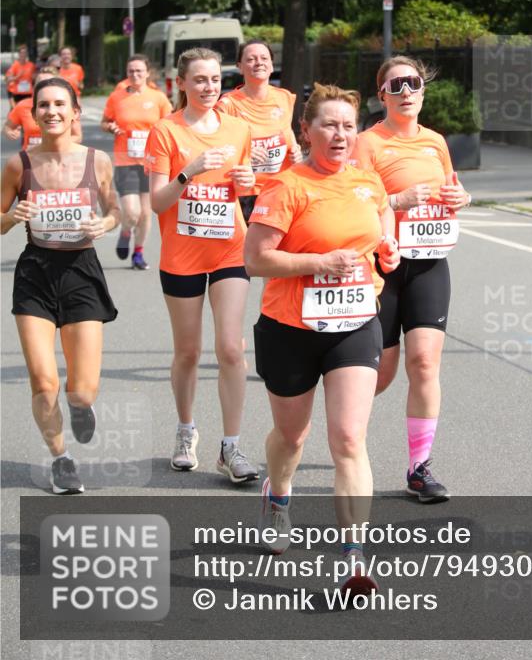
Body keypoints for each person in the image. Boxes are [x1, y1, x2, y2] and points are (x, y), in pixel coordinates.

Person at [244, 83, 400, 591]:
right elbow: (255, 259)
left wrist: (388, 251)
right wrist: (318, 262)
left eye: (349, 125)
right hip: (290, 329)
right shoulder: (286, 186)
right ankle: (279, 493)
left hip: (354, 324)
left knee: (350, 438)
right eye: (329, 125)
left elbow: (382, 226)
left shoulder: (368, 181)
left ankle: (355, 558)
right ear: (306, 131)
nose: (340, 134)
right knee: (291, 437)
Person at [353, 56, 471, 504]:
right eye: (395, 84)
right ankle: (349, 444)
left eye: (413, 83)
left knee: (423, 362)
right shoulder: (367, 143)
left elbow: (451, 191)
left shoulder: (436, 142)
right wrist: (396, 199)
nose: (406, 90)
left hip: (428, 263)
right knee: (378, 374)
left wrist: (463, 197)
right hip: (382, 268)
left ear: (423, 91)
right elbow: (354, 203)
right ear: (381, 94)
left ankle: (419, 468)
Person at [0, 76, 120, 494]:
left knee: (82, 390)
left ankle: (80, 405)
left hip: (82, 272)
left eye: (59, 105)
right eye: (43, 105)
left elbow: (114, 209)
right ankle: (61, 458)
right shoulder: (20, 165)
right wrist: (14, 217)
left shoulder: (96, 160)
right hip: (35, 272)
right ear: (34, 114)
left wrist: (102, 224)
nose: (51, 111)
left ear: (74, 112)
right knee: (44, 381)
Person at [145, 47, 259, 482]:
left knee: (231, 348)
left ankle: (231, 446)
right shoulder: (165, 132)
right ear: (182, 84)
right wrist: (187, 172)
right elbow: (157, 202)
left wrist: (249, 184)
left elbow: (247, 185)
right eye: (199, 80)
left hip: (231, 248)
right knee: (188, 352)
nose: (208, 87)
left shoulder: (237, 128)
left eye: (214, 79)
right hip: (182, 257)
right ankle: (185, 429)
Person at [217, 40, 301, 222]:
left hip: (282, 188)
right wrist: (244, 151)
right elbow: (214, 144)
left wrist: (296, 151)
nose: (259, 63)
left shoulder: (284, 97)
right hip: (248, 192)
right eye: (251, 59)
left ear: (271, 65)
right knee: (251, 249)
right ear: (240, 67)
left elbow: (287, 130)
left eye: (264, 58)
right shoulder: (227, 105)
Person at [101, 55, 172, 270]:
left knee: (145, 212)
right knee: (131, 212)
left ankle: (138, 253)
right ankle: (125, 232)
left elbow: (170, 124)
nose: (135, 75)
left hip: (151, 163)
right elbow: (105, 121)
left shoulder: (158, 98)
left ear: (147, 73)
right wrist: (110, 127)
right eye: (131, 71)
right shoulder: (116, 97)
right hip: (125, 161)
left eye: (139, 71)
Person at [4, 68, 83, 149]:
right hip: (31, 158)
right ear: (34, 86)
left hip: (58, 157)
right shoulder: (23, 105)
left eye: (48, 83)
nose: (44, 87)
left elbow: (77, 136)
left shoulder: (66, 106)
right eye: (40, 83)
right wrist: (9, 132)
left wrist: (50, 146)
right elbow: (7, 126)